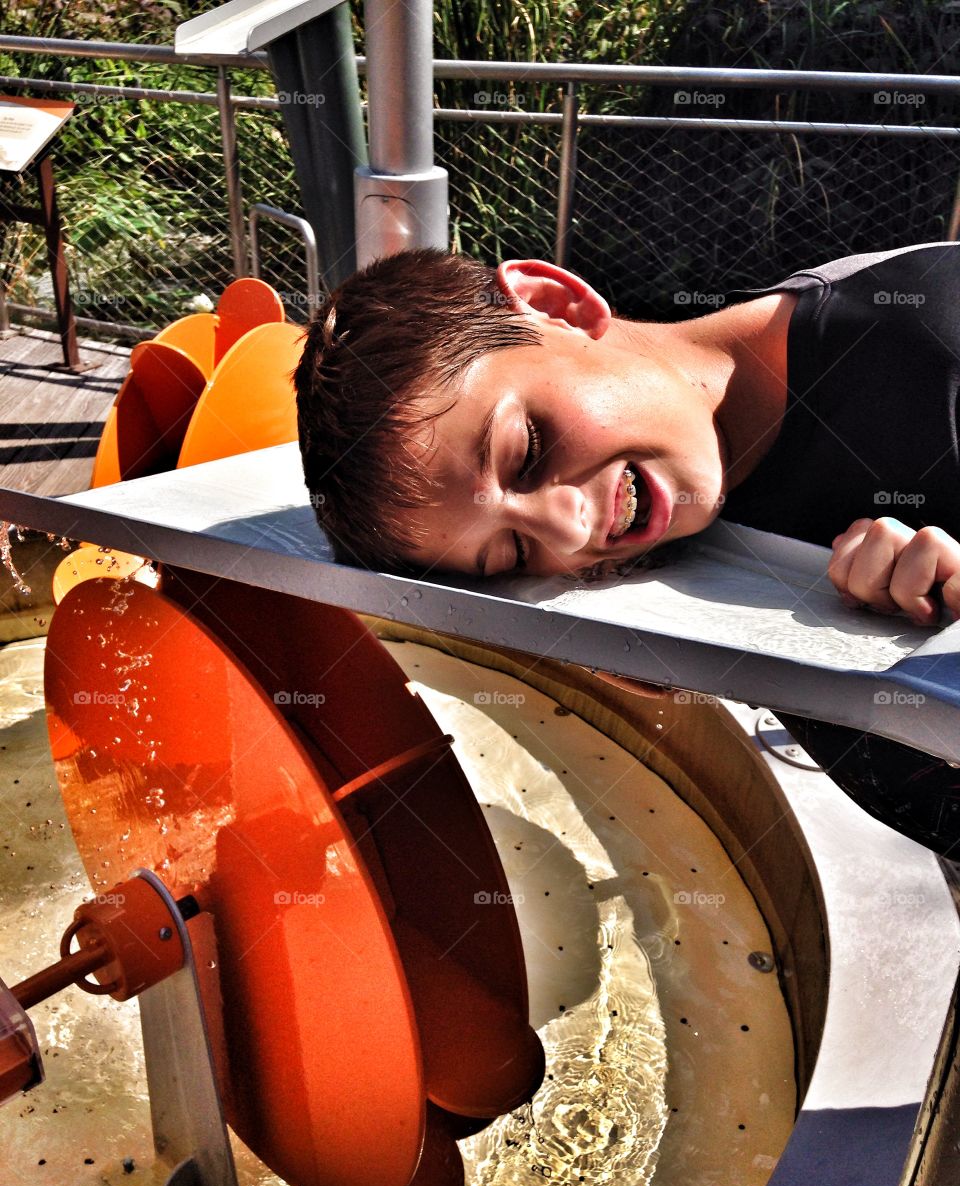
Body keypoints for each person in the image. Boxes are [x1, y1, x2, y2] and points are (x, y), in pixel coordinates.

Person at [295, 243, 960, 855]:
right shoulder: (677, 517)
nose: (568, 532)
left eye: (526, 450)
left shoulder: (932, 343)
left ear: (557, 305)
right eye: (514, 556)